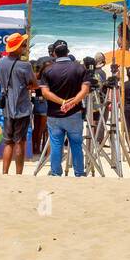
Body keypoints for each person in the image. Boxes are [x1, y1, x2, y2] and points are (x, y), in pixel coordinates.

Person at [39, 41, 88, 177]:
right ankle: (79, 172)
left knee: (56, 145)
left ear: (54, 53)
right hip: (74, 113)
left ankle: (55, 172)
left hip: (54, 114)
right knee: (76, 144)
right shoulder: (79, 68)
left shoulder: (48, 70)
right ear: (68, 52)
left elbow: (45, 93)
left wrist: (62, 102)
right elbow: (85, 89)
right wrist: (72, 102)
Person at [0, 33, 36, 175]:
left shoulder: (1, 62)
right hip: (21, 108)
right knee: (20, 142)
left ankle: (4, 172)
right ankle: (19, 174)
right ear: (17, 48)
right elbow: (34, 84)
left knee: (8, 142)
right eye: (23, 45)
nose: (24, 47)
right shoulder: (25, 65)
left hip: (7, 109)